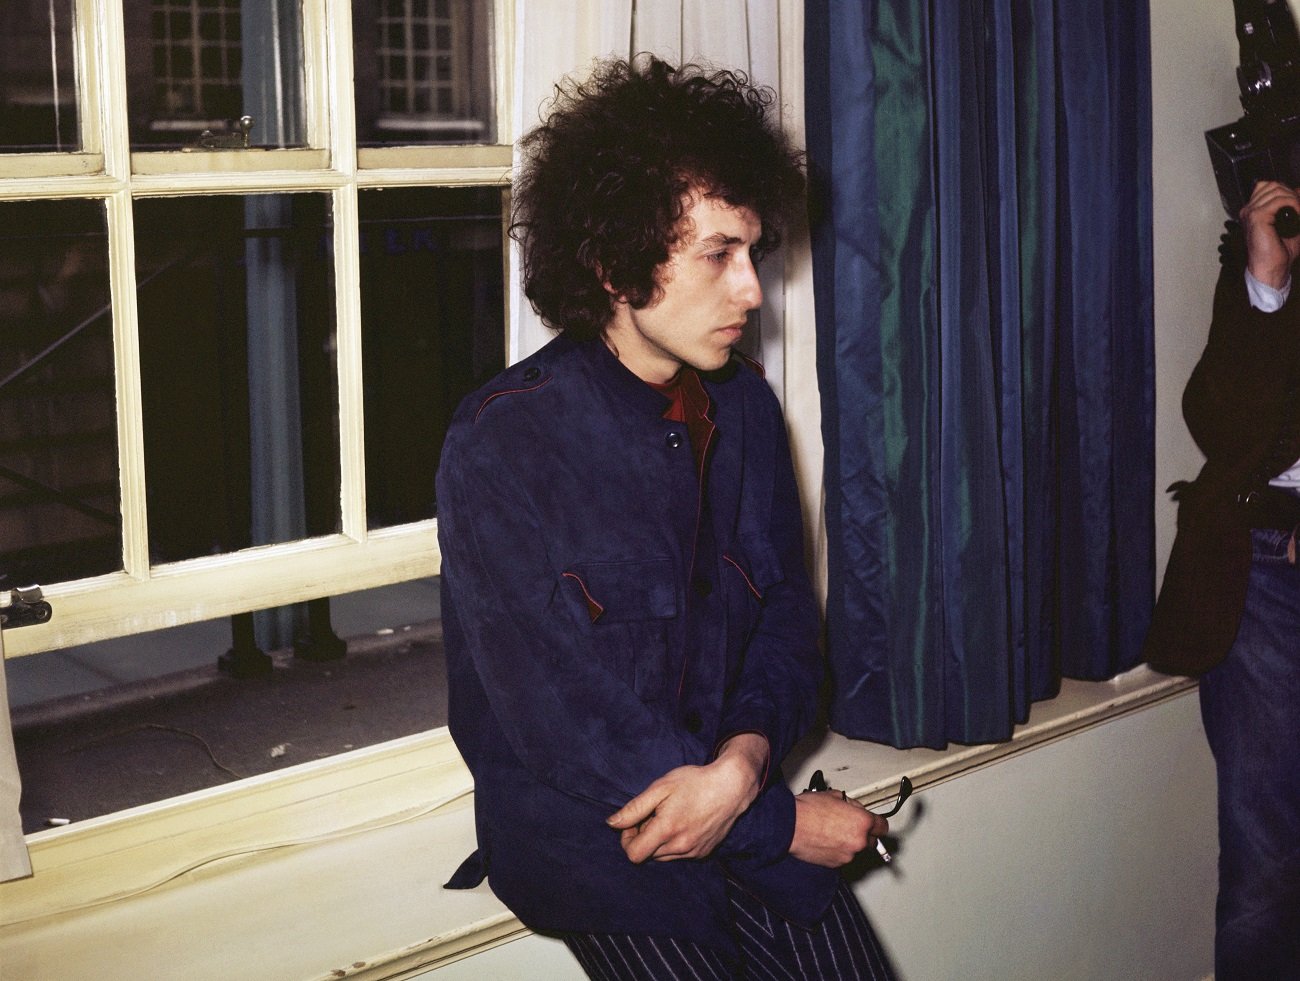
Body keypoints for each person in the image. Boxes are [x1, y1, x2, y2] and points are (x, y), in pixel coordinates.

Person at [436, 56, 897, 979]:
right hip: (607, 848)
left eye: (752, 253)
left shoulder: (748, 412)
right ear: (612, 263)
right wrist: (779, 821)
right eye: (717, 254)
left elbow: (784, 621)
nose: (752, 291)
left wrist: (743, 765)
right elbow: (565, 722)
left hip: (740, 799)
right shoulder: (504, 443)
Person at [1144, 179, 1300, 980]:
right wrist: (1267, 283)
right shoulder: (1267, 253)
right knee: (1266, 862)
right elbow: (1220, 424)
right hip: (1268, 572)